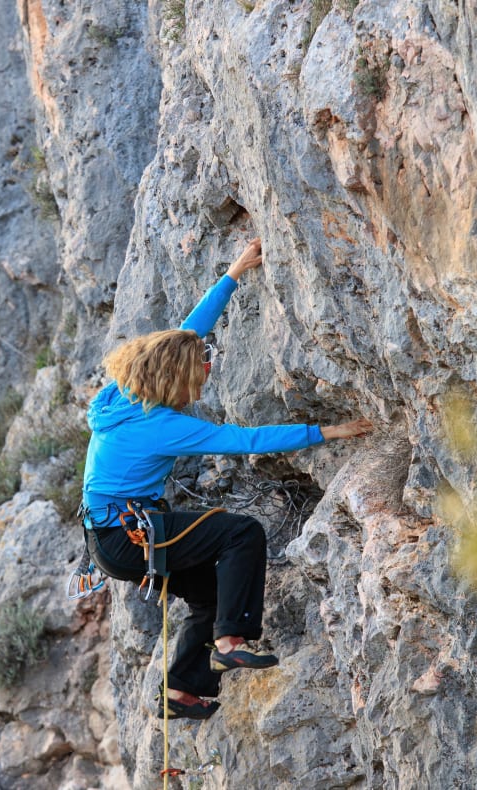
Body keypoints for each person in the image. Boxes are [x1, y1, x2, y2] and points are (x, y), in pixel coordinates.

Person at [80, 238, 373, 720]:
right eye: (202, 365)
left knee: (209, 593)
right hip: (128, 537)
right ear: (176, 378)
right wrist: (328, 430)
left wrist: (234, 273)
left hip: (110, 539)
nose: (208, 367)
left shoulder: (120, 395)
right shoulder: (166, 427)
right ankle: (230, 640)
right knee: (241, 533)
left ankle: (181, 691)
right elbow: (249, 440)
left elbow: (186, 333)